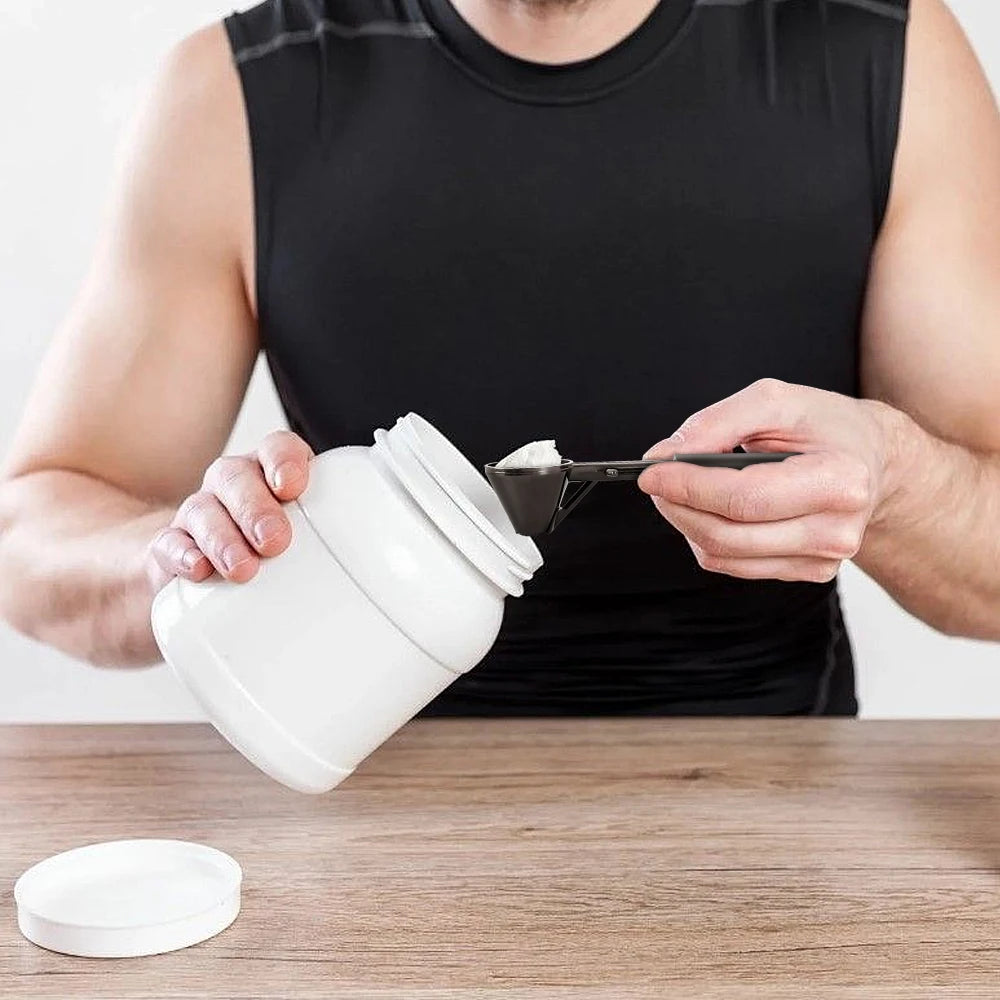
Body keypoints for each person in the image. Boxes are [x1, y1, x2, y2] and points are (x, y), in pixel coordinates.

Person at [1, 0, 998, 716]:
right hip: (360, 808)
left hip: (777, 800)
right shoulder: (229, 95)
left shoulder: (890, 54)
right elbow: (30, 535)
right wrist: (189, 557)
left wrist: (898, 479)